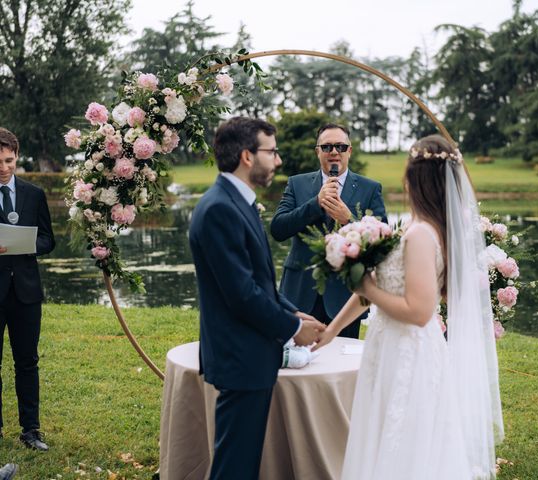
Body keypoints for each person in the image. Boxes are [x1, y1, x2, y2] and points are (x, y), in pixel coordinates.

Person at [313, 135, 504, 479]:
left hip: (408, 353)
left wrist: (366, 284)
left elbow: (419, 310)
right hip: (387, 348)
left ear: (416, 179)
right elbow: (374, 291)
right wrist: (332, 330)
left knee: (404, 445)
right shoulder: (413, 228)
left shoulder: (421, 236)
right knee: (381, 434)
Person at [188, 117, 325, 480]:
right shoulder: (220, 208)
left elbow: (258, 282)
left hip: (250, 356)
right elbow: (241, 295)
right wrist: (293, 327)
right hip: (240, 356)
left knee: (244, 463)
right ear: (247, 156)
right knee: (234, 466)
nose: (278, 160)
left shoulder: (238, 202)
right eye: (272, 151)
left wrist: (291, 309)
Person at [271, 123, 386, 339]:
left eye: (341, 147)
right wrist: (315, 204)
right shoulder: (297, 184)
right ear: (318, 151)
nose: (334, 152)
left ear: (349, 151)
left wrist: (348, 220)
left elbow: (383, 243)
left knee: (340, 366)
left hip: (345, 297)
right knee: (297, 365)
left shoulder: (370, 188)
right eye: (327, 147)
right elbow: (278, 229)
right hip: (299, 293)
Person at [0, 128, 55, 452]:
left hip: (26, 293)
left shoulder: (34, 194)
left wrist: (26, 246)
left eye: (9, 160)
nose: (4, 167)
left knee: (27, 362)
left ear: (17, 157)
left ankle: (31, 430)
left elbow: (49, 239)